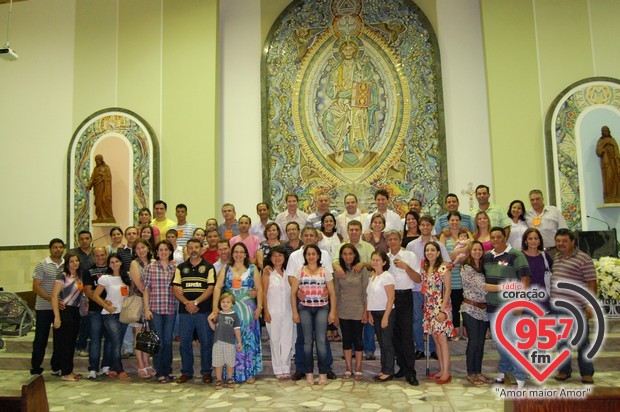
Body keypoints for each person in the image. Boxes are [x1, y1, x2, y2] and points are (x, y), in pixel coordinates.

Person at [285, 227, 336, 380]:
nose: (308, 238)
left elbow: (329, 279)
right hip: (304, 304)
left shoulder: (325, 255)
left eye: (311, 235)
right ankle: (302, 369)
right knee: (303, 338)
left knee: (322, 339)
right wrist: (298, 289)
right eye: (305, 235)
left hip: (321, 304)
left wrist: (327, 291)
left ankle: (326, 368)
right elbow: (290, 277)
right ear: (301, 237)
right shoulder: (295, 256)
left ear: (316, 238)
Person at [483, 227, 530, 389]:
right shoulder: (487, 257)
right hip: (492, 306)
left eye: (499, 237)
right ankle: (505, 370)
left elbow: (524, 279)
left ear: (505, 238)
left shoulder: (516, 255)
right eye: (493, 238)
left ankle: (519, 374)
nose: (496, 240)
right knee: (499, 341)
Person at [210, 242, 263, 383]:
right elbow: (217, 287)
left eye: (241, 252)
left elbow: (259, 289)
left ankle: (249, 372)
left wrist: (259, 307)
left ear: (246, 254)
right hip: (229, 309)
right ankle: (230, 374)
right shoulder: (226, 268)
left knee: (248, 340)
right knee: (229, 340)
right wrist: (215, 308)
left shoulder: (252, 269)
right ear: (232, 254)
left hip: (247, 310)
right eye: (236, 252)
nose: (238, 254)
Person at [552, 228, 597, 384]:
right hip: (558, 307)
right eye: (558, 241)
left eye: (564, 241)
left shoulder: (583, 259)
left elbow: (592, 283)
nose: (561, 244)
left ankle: (587, 372)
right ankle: (564, 370)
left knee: (583, 341)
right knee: (561, 341)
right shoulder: (556, 257)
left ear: (572, 242)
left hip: (577, 307)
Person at [172, 238, 216, 384]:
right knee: (184, 343)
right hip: (185, 312)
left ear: (201, 249)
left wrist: (196, 302)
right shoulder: (181, 268)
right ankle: (186, 372)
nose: (193, 250)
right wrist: (187, 303)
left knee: (206, 342)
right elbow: (175, 288)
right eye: (190, 248)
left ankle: (206, 372)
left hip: (203, 311)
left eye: (196, 247)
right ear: (187, 250)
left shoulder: (209, 267)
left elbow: (210, 288)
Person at [406, 215, 450, 359]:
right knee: (417, 320)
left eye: (428, 225)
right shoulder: (411, 245)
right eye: (422, 225)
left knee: (433, 320)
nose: (425, 227)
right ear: (419, 227)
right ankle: (419, 347)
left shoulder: (439, 245)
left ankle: (432, 349)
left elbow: (446, 265)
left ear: (432, 227)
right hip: (416, 288)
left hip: (435, 292)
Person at [332, 220, 375, 360]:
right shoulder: (341, 246)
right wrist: (336, 266)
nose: (354, 232)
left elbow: (375, 264)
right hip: (346, 288)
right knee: (349, 331)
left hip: (366, 287)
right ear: (348, 231)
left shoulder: (368, 247)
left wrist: (363, 263)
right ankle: (350, 352)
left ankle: (368, 350)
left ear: (361, 231)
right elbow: (335, 261)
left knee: (366, 324)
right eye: (351, 229)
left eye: (357, 229)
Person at [386, 230, 421, 386]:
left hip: (405, 296)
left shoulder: (410, 256)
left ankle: (411, 372)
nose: (393, 242)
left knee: (406, 335)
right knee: (394, 335)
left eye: (395, 239)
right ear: (387, 242)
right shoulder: (385, 258)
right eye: (390, 239)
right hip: (389, 298)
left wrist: (406, 267)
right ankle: (402, 367)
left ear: (400, 241)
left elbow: (419, 278)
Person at [91, 253, 132, 381]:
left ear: (120, 262)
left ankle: (112, 367)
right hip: (110, 314)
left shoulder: (127, 277)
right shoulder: (105, 278)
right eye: (112, 262)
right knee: (116, 342)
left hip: (124, 313)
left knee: (115, 341)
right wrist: (106, 305)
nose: (114, 264)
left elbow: (129, 294)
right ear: (109, 264)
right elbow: (95, 295)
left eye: (116, 261)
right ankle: (119, 369)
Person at [143, 240, 178, 383]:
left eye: (166, 249)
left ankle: (168, 370)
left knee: (168, 341)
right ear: (156, 252)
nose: (163, 252)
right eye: (160, 249)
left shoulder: (175, 269)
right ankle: (159, 372)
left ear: (170, 252)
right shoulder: (150, 268)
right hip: (155, 309)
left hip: (170, 309)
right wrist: (146, 309)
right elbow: (146, 290)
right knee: (159, 342)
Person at [30, 238, 65, 376]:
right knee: (41, 338)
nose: (58, 249)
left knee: (59, 339)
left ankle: (56, 366)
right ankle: (36, 367)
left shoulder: (65, 265)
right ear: (50, 249)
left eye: (60, 247)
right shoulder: (42, 265)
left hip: (60, 308)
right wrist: (51, 299)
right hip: (44, 307)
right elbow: (35, 287)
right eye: (55, 247)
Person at [421, 242, 454, 384]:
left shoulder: (443, 269)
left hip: (441, 307)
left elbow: (448, 290)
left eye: (433, 250)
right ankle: (441, 369)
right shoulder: (426, 269)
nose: (430, 252)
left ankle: (446, 373)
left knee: (442, 340)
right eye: (427, 250)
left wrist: (442, 310)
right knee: (435, 339)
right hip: (429, 308)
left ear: (438, 252)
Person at [334, 244, 368, 380]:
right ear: (341, 256)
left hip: (359, 310)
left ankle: (358, 368)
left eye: (350, 254)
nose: (348, 256)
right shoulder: (338, 271)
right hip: (343, 310)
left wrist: (366, 311)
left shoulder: (362, 270)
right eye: (345, 254)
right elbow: (335, 293)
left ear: (355, 255)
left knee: (358, 340)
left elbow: (366, 292)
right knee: (346, 340)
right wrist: (335, 313)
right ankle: (348, 368)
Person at [460, 240, 490, 385]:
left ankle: (478, 372)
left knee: (481, 343)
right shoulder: (466, 267)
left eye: (480, 249)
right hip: (470, 309)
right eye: (474, 249)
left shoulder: (484, 267)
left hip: (483, 310)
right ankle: (471, 373)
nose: (477, 252)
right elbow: (482, 287)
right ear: (470, 251)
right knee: (473, 342)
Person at [261, 246, 294, 380]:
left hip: (288, 312)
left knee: (287, 340)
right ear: (270, 258)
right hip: (272, 312)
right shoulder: (268, 273)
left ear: (285, 257)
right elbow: (263, 293)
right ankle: (278, 369)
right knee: (275, 341)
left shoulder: (290, 273)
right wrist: (266, 312)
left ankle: (286, 367)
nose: (277, 258)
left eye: (280, 255)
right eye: (274, 255)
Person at [50, 252, 83, 381]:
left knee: (69, 341)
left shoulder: (79, 277)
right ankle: (66, 372)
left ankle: (58, 367)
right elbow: (54, 296)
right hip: (65, 311)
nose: (75, 263)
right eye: (72, 261)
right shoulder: (63, 276)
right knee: (66, 343)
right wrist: (57, 317)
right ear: (67, 263)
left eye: (77, 260)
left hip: (75, 311)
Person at [439, 211, 469, 340]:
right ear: (448, 222)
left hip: (464, 275)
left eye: (457, 220)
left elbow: (473, 247)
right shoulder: (444, 236)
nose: (455, 222)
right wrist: (451, 262)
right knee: (453, 306)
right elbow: (441, 252)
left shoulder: (466, 234)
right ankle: (453, 331)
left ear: (460, 221)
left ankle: (466, 332)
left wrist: (460, 251)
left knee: (465, 306)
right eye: (452, 220)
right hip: (450, 276)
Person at [366, 250, 395, 382]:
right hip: (375, 312)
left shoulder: (387, 276)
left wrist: (385, 317)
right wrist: (370, 312)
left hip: (385, 312)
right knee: (382, 342)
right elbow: (370, 296)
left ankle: (389, 371)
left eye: (377, 260)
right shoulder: (372, 277)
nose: (375, 262)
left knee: (387, 343)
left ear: (384, 262)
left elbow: (391, 298)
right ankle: (384, 369)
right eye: (373, 259)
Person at [128, 239, 155, 379]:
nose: (140, 250)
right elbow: (140, 285)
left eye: (143, 247)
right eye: (137, 248)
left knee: (148, 334)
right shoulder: (134, 264)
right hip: (139, 301)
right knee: (139, 334)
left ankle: (147, 362)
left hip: (152, 302)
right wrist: (146, 303)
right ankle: (140, 364)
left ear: (148, 248)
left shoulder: (154, 262)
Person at [83, 247, 112, 379]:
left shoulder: (112, 269)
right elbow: (89, 292)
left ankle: (106, 366)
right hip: (95, 310)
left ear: (107, 255)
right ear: (93, 257)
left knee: (109, 339)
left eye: (102, 255)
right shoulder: (88, 271)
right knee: (95, 340)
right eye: (97, 255)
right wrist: (103, 303)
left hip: (111, 311)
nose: (100, 257)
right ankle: (93, 368)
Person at [208, 293, 242, 390]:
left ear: (232, 304)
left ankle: (230, 378)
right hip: (217, 342)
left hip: (229, 342)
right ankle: (219, 379)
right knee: (218, 362)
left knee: (229, 362)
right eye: (223, 302)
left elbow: (237, 329)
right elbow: (215, 328)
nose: (225, 304)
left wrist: (239, 341)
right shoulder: (218, 315)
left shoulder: (234, 315)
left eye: (228, 302)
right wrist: (209, 320)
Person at [71, 230, 93, 358]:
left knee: (87, 320)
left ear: (91, 239)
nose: (84, 241)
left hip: (92, 291)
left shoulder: (95, 253)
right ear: (78, 241)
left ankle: (82, 345)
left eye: (87, 238)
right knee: (78, 321)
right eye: (82, 239)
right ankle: (78, 346)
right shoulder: (73, 254)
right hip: (75, 292)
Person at [521, 228, 552, 313]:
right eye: (530, 239)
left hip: (544, 299)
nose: (533, 241)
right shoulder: (520, 256)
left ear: (539, 241)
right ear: (525, 241)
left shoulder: (545, 256)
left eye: (536, 238)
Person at [86, 154, 115, 223]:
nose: (97, 161)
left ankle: (108, 217)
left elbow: (109, 177)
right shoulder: (95, 169)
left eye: (98, 160)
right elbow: (92, 178)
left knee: (104, 201)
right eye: (96, 160)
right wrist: (89, 185)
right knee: (98, 203)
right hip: (97, 188)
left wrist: (103, 174)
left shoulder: (106, 168)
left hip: (104, 188)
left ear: (101, 160)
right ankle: (99, 216)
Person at [595, 125, 620, 203]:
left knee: (615, 178)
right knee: (609, 178)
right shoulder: (601, 141)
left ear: (609, 132)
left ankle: (616, 195)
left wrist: (612, 145)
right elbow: (598, 152)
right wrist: (604, 144)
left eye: (606, 131)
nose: (605, 132)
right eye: (603, 131)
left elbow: (617, 151)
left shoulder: (612, 140)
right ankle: (608, 195)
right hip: (606, 164)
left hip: (614, 163)